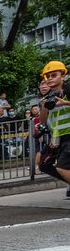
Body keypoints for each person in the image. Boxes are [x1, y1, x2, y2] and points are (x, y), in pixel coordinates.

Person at [37, 60, 70, 198]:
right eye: (48, 76)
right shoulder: (48, 97)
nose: (50, 79)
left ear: (63, 76)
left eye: (54, 75)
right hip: (57, 136)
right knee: (43, 164)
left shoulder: (68, 89)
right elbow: (43, 121)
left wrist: (65, 103)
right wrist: (44, 107)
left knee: (62, 167)